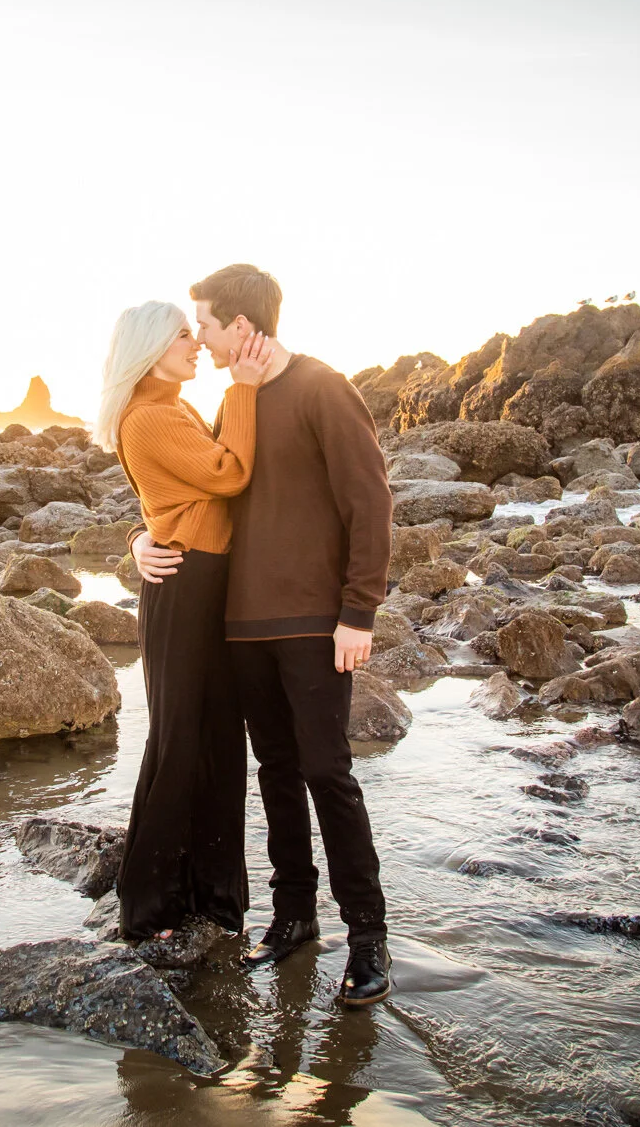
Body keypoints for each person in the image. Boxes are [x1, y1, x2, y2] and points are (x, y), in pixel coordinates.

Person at [132, 264, 396, 1007]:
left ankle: (369, 937)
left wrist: (359, 610)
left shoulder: (322, 387)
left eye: (207, 325)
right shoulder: (233, 403)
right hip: (241, 627)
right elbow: (200, 494)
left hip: (315, 623)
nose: (203, 341)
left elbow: (369, 502)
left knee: (327, 773)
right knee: (275, 774)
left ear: (240, 326)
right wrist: (138, 541)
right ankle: (294, 917)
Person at [96, 300, 275, 941]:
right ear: (150, 349)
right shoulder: (148, 417)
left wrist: (140, 534)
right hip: (185, 586)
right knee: (178, 740)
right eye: (181, 336)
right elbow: (228, 475)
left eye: (193, 332)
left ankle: (215, 900)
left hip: (204, 580)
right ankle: (150, 907)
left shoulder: (173, 409)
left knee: (220, 740)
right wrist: (246, 387)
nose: (194, 343)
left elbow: (167, 500)